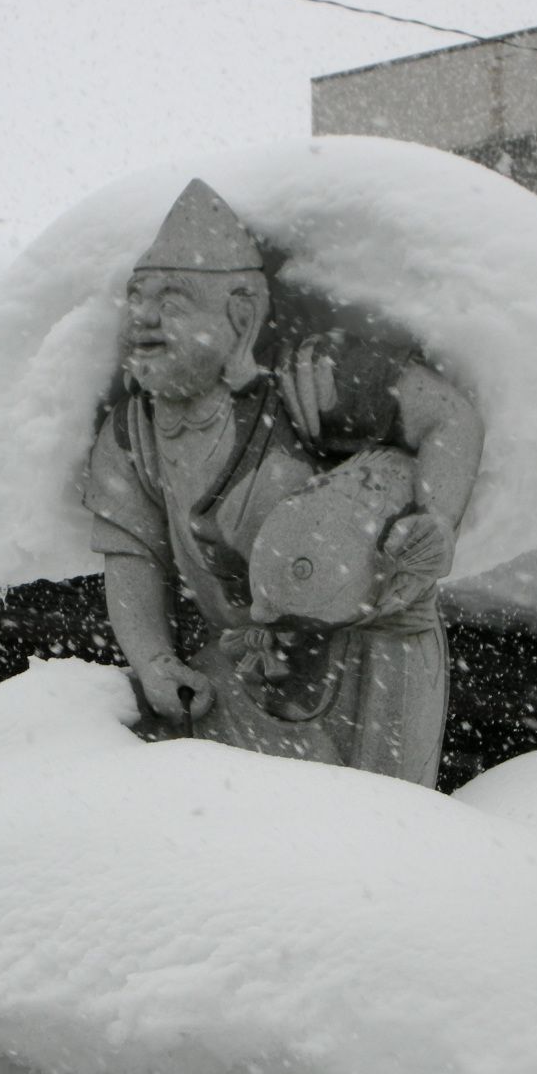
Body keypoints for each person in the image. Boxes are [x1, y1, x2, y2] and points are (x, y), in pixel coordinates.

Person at [83, 179, 484, 786]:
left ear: (240, 313)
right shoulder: (132, 433)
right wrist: (155, 660)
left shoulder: (305, 381)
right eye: (136, 296)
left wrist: (436, 518)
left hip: (368, 649)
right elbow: (133, 557)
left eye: (173, 299)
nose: (142, 317)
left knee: (381, 839)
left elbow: (448, 417)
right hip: (244, 664)